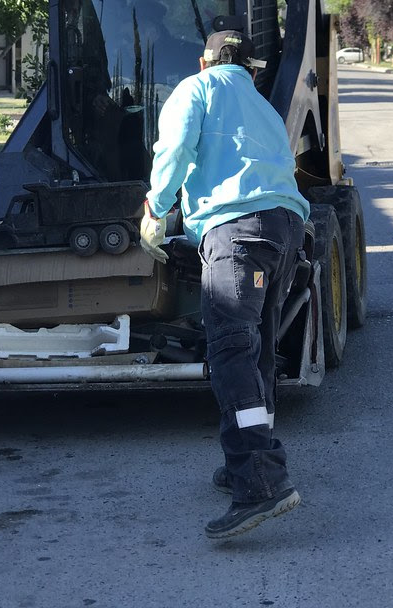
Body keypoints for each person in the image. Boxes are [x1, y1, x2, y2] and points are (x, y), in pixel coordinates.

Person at [139, 30, 310, 539]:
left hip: (236, 233)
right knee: (256, 350)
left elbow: (174, 149)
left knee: (231, 351)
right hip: (284, 229)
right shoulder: (263, 108)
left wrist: (156, 208)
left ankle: (260, 481)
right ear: (253, 71)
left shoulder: (196, 88)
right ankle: (248, 461)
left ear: (204, 62)